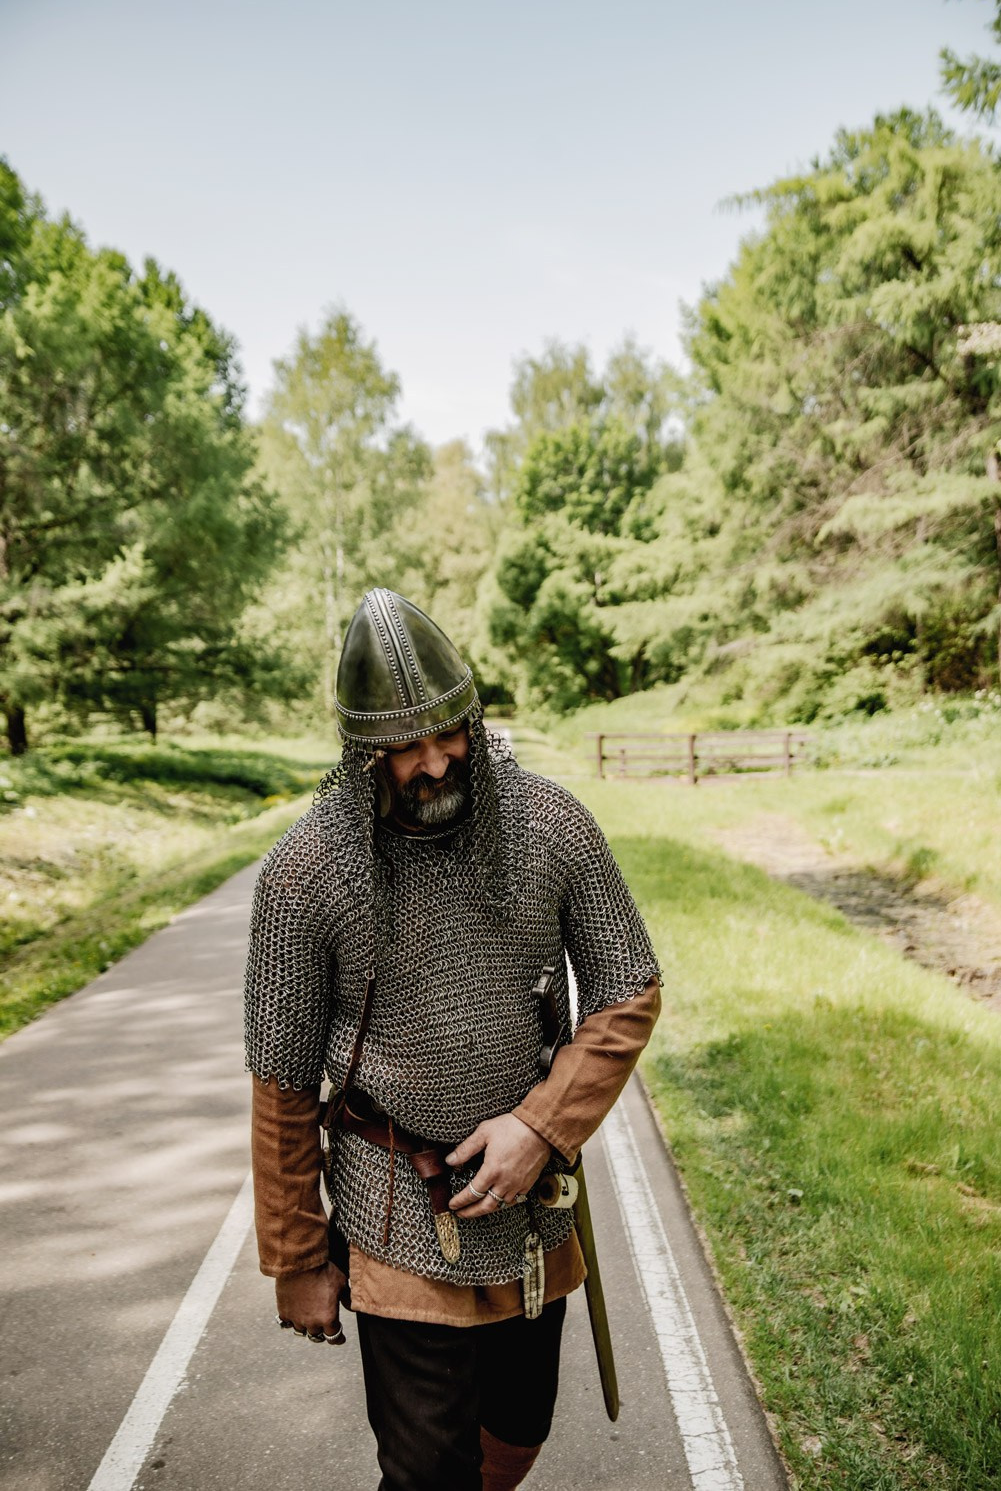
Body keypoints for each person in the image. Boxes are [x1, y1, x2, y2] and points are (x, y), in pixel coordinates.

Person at [245, 588, 661, 1491]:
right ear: (362, 754)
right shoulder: (305, 874)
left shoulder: (548, 825)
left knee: (516, 1430)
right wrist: (296, 1258)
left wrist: (541, 1126)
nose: (435, 763)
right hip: (394, 1202)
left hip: (529, 1205)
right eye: (405, 747)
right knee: (428, 1470)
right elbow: (281, 1084)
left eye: (448, 735)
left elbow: (627, 990)